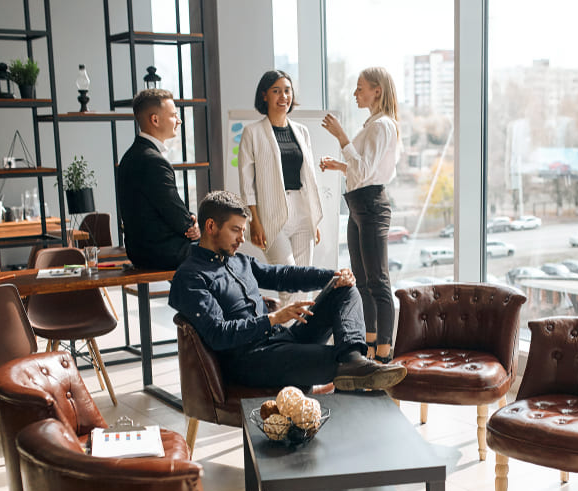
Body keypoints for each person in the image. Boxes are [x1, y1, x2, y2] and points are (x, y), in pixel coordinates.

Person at [169, 190, 406, 391]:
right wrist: (273, 319)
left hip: (282, 340)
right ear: (211, 226)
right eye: (235, 230)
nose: (242, 239)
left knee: (345, 290)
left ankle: (354, 359)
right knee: (336, 360)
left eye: (243, 230)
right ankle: (353, 367)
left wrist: (332, 277)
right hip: (252, 360)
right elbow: (218, 334)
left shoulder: (239, 260)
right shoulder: (190, 277)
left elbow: (282, 275)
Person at [320, 66, 401, 363]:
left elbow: (367, 172)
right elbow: (364, 168)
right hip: (357, 203)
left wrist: (342, 137)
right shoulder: (373, 124)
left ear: (376, 90)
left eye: (360, 87)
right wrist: (339, 166)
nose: (355, 93)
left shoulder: (382, 126)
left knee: (377, 280)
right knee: (363, 281)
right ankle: (368, 348)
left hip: (370, 205)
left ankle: (383, 354)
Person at [238, 70, 323, 270]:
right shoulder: (252, 132)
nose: (283, 96)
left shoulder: (302, 132)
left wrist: (314, 219)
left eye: (287, 90)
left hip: (302, 212)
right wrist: (254, 221)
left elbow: (309, 177)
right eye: (276, 91)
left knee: (304, 280)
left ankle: (299, 304)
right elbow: (246, 182)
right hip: (271, 214)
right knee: (286, 279)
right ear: (264, 95)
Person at [117, 88, 201, 269]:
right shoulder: (153, 161)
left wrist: (190, 219)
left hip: (140, 251)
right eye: (173, 115)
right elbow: (175, 215)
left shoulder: (130, 156)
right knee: (224, 252)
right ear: (155, 120)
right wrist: (192, 225)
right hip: (163, 252)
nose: (179, 121)